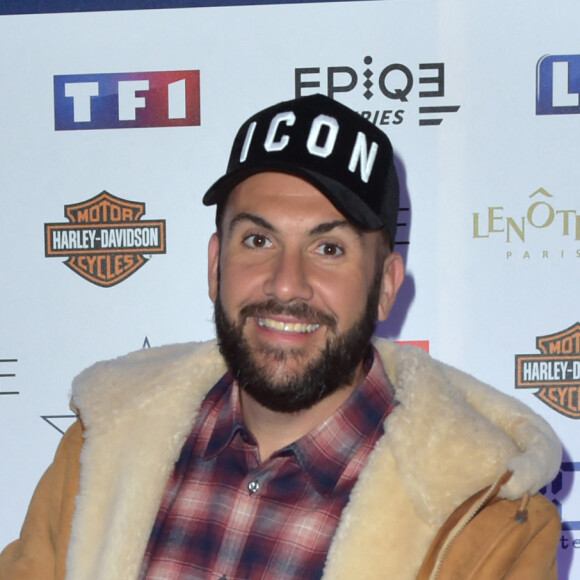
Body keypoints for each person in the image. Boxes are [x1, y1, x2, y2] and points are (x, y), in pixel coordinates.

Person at [0, 94, 562, 580]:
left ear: (386, 286)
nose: (286, 283)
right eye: (257, 241)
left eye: (329, 248)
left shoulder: (487, 520)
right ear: (216, 262)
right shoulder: (100, 448)